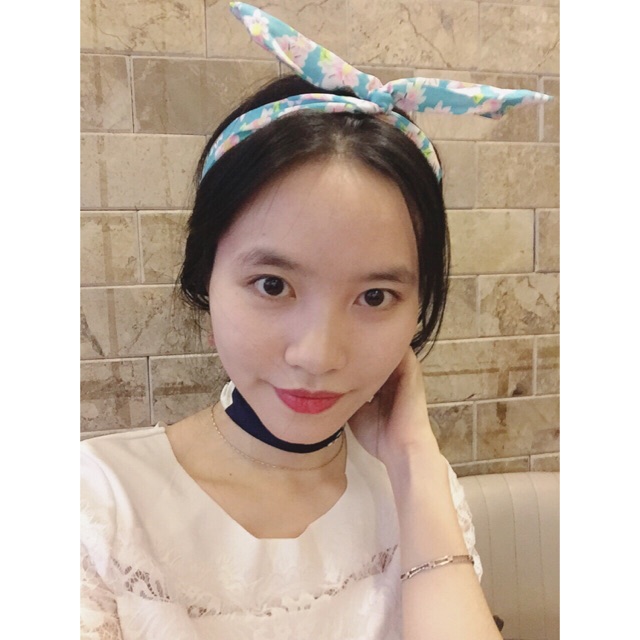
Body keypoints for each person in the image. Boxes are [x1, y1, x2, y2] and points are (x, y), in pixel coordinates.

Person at [80, 4, 550, 638]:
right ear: (205, 277)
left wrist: (414, 459)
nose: (318, 354)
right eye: (273, 285)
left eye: (376, 296)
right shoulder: (95, 505)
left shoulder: (418, 489)